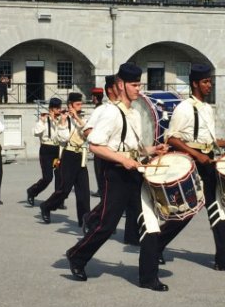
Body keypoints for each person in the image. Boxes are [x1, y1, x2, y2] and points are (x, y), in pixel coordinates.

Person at [65, 63, 169, 291]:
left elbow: (134, 147)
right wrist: (123, 160)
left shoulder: (134, 113)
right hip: (117, 174)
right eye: (134, 85)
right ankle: (76, 256)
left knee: (150, 223)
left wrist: (151, 151)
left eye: (139, 84)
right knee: (107, 224)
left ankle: (149, 277)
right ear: (121, 85)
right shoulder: (111, 112)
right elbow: (95, 146)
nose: (138, 89)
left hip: (135, 172)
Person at [160, 64, 225, 272]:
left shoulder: (207, 108)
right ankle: (155, 244)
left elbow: (205, 138)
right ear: (195, 84)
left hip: (208, 160)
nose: (210, 86)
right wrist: (197, 155)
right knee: (187, 211)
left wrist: (224, 143)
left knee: (216, 207)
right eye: (206, 82)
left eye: (210, 82)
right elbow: (171, 137)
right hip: (191, 162)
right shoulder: (184, 108)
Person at [39, 92, 90, 227]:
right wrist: (62, 122)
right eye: (77, 104)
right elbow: (62, 138)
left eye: (81, 104)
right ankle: (46, 206)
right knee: (64, 190)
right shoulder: (64, 120)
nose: (80, 106)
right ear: (70, 105)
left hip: (82, 156)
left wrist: (78, 119)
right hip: (68, 155)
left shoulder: (84, 118)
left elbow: (89, 134)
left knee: (84, 192)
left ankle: (84, 220)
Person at [26, 97, 63, 206]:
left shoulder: (61, 120)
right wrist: (42, 121)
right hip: (46, 150)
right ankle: (32, 191)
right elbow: (36, 132)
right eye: (57, 109)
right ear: (51, 109)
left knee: (59, 175)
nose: (59, 111)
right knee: (48, 178)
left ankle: (57, 200)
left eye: (59, 108)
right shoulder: (43, 120)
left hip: (57, 150)